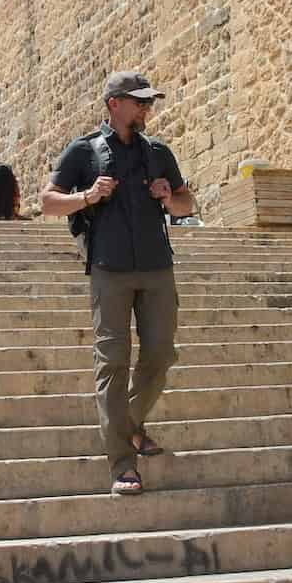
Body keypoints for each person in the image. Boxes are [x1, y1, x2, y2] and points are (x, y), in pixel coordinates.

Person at [41, 71, 196, 496]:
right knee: (112, 360)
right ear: (114, 103)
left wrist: (169, 197)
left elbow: (187, 202)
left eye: (149, 102)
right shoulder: (84, 151)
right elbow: (48, 201)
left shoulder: (159, 152)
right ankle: (122, 464)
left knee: (162, 354)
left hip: (157, 266)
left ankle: (127, 425)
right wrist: (87, 196)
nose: (147, 109)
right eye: (140, 102)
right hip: (109, 269)